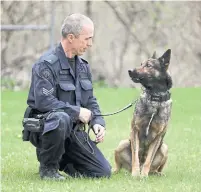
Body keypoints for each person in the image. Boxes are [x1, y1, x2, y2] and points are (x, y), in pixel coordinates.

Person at [24, 13, 111, 180]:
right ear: (71, 37)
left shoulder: (83, 67)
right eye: (87, 39)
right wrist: (77, 111)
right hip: (49, 130)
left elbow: (90, 100)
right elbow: (44, 102)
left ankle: (64, 159)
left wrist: (97, 121)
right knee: (61, 118)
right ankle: (48, 168)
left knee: (102, 172)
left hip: (74, 133)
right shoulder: (45, 66)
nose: (90, 44)